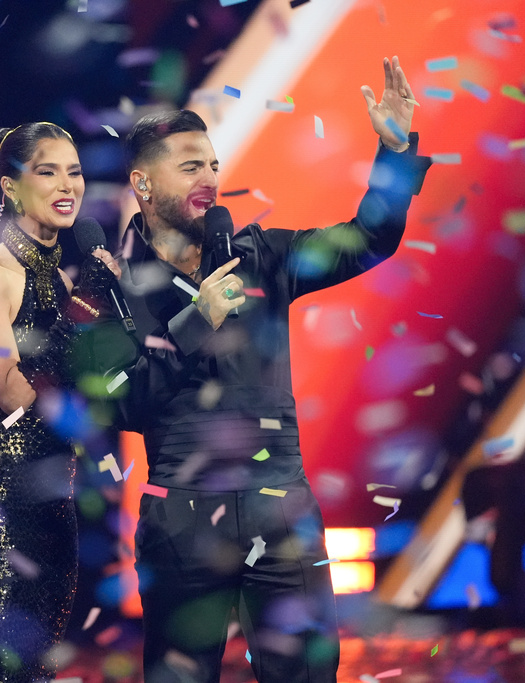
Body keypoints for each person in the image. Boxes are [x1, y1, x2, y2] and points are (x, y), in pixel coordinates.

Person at [83, 56, 432, 682]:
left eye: (213, 166)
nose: (209, 179)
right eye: (191, 166)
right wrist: (195, 323)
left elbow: (368, 239)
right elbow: (120, 405)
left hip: (281, 511)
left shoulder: (261, 256)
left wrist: (395, 154)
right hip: (183, 518)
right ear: (142, 183)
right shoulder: (113, 283)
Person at [0, 121, 119, 681]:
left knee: (37, 668)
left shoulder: (65, 284)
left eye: (75, 172)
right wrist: (83, 311)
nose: (68, 185)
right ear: (11, 187)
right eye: (48, 172)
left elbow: (84, 393)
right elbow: (14, 396)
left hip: (52, 500)